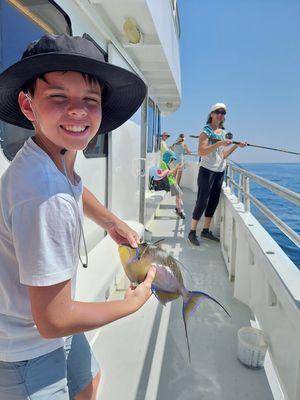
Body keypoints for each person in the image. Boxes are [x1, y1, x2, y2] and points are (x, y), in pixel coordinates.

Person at [0, 34, 156, 399]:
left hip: (53, 331)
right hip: (27, 351)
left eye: (90, 100)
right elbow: (54, 320)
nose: (77, 111)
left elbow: (75, 187)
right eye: (58, 97)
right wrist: (130, 304)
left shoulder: (51, 154)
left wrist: (111, 223)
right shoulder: (41, 194)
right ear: (27, 104)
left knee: (89, 384)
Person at [188, 103, 247, 246]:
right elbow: (202, 152)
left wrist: (235, 146)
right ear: (212, 114)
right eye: (218, 112)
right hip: (207, 170)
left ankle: (206, 231)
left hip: (220, 171)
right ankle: (192, 231)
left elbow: (223, 155)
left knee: (214, 200)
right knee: (202, 201)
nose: (221, 114)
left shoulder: (224, 132)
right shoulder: (206, 131)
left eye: (223, 112)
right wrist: (220, 143)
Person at [160, 150, 185, 219]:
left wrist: (176, 169)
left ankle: (178, 208)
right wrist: (176, 168)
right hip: (170, 182)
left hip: (172, 181)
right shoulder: (163, 164)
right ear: (168, 157)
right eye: (171, 159)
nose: (171, 161)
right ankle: (178, 210)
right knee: (179, 194)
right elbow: (167, 174)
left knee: (179, 194)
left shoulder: (165, 164)